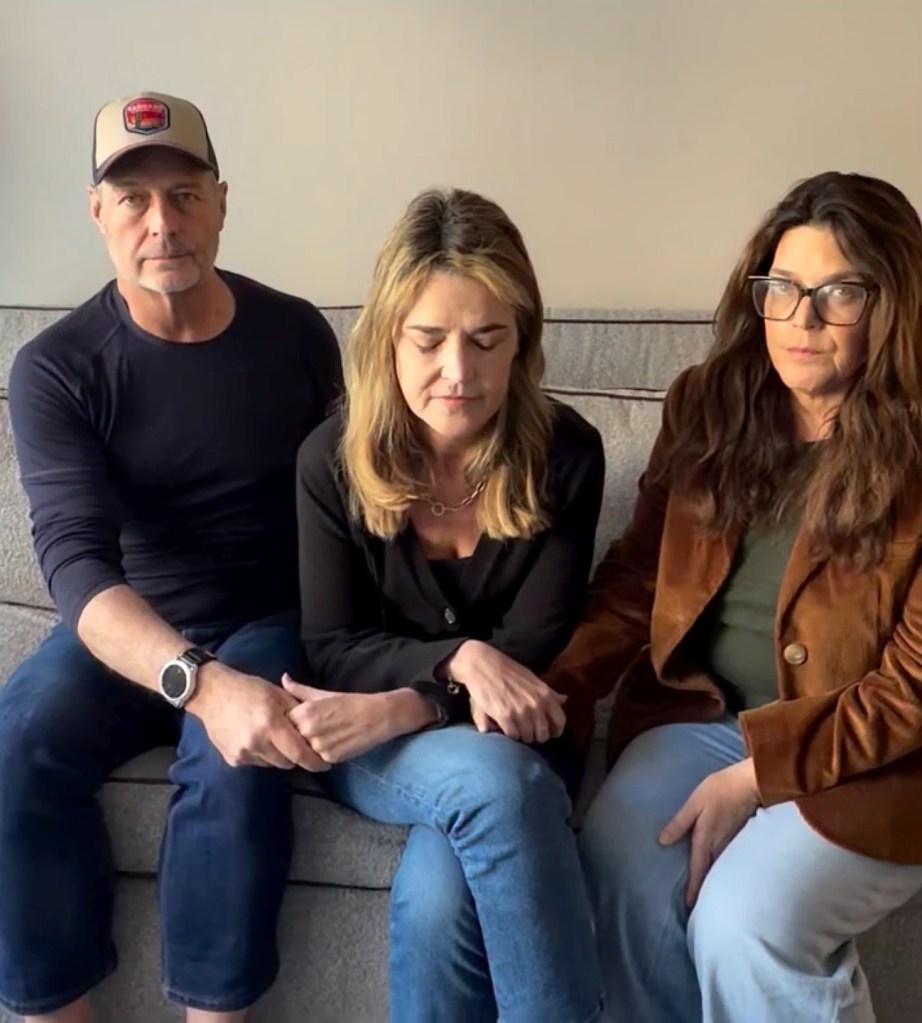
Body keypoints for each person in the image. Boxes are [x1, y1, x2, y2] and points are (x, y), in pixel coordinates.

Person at [543, 170, 922, 1023]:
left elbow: (911, 688)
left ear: (893, 304)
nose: (802, 320)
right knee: (617, 864)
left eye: (839, 293)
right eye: (782, 289)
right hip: (699, 721)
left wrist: (761, 775)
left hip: (875, 762)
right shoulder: (709, 404)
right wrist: (560, 690)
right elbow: (639, 578)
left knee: (744, 924)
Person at [0, 92, 342, 1023]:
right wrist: (198, 678)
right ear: (98, 212)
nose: (163, 224)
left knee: (236, 762)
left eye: (185, 194)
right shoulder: (57, 368)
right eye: (135, 200)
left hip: (271, 614)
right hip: (129, 626)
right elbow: (77, 569)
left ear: (223, 201)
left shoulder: (298, 335)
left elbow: (347, 508)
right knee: (12, 745)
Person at [283, 187, 606, 1023]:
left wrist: (410, 699)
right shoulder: (330, 460)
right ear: (388, 338)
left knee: (436, 895)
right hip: (379, 745)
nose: (457, 373)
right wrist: (457, 660)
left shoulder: (567, 454)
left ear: (522, 344)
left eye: (486, 340)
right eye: (428, 341)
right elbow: (331, 642)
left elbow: (534, 644)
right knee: (498, 788)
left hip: (513, 726)